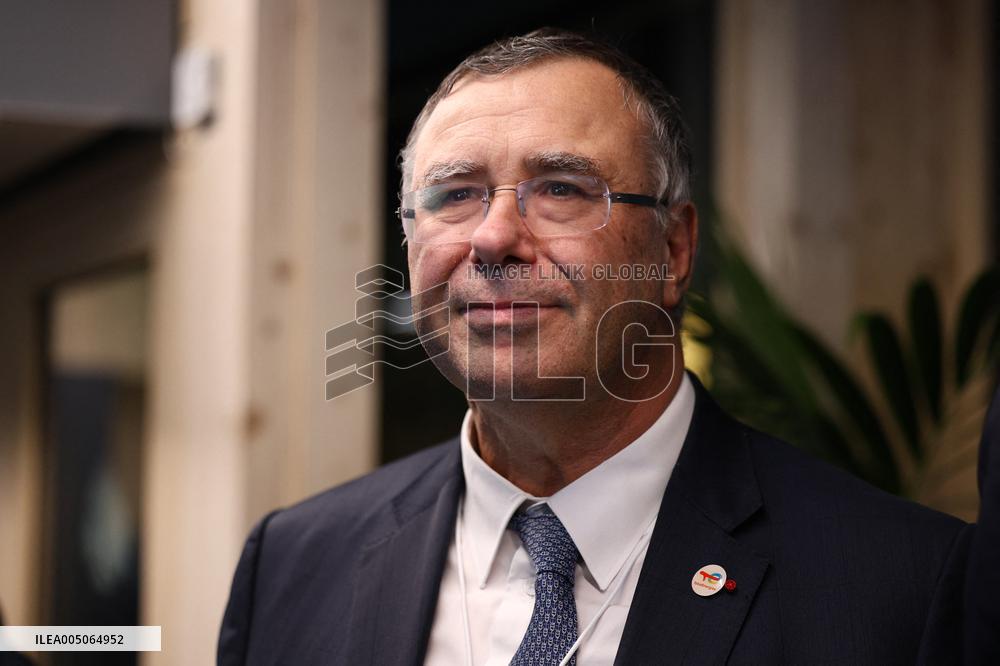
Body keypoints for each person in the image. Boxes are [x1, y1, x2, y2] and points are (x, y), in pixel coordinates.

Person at [218, 29, 974, 665]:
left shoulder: (905, 586)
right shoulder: (291, 565)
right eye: (454, 195)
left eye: (560, 189)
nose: (491, 238)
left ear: (673, 252)